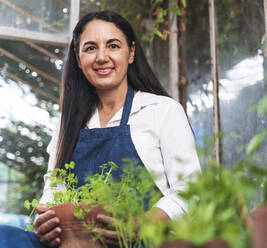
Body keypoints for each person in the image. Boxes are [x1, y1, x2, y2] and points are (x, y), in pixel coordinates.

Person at [0, 10, 201, 247]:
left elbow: (190, 191)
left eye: (113, 46)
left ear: (131, 53)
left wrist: (142, 225)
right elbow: (54, 188)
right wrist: (46, 222)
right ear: (78, 58)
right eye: (90, 48)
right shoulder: (69, 120)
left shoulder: (162, 110)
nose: (102, 57)